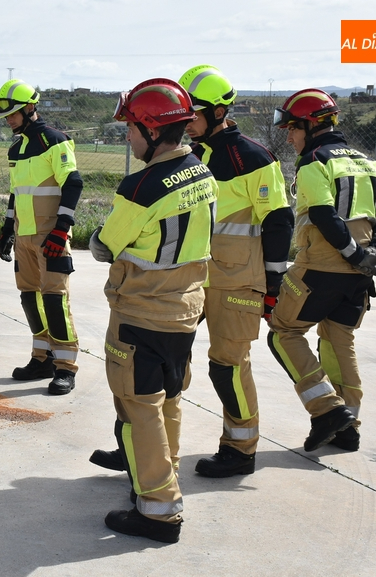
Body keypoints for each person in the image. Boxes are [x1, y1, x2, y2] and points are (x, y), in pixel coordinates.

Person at [87, 78, 217, 543]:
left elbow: (106, 244)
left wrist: (98, 241)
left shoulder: (140, 186)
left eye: (132, 128)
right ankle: (160, 481)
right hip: (185, 311)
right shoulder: (202, 172)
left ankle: (159, 511)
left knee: (139, 407)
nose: (128, 137)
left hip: (140, 314)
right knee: (169, 399)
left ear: (154, 131)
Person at [176, 65, 294, 477]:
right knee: (166, 358)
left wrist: (273, 284)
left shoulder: (253, 157)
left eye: (194, 112)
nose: (187, 120)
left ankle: (241, 449)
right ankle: (151, 440)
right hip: (189, 276)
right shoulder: (187, 155)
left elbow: (279, 222)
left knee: (226, 366)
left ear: (218, 112)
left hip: (237, 281)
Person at [268, 89, 376, 452]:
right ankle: (348, 428)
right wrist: (374, 253)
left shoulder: (314, 162)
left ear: (311, 126)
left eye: (293, 128)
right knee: (339, 340)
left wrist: (353, 254)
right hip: (360, 275)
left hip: (321, 268)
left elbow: (324, 215)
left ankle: (326, 410)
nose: (289, 136)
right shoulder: (366, 162)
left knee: (283, 332)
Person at [0, 79, 83, 395]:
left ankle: (65, 367)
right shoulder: (16, 148)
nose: (9, 120)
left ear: (30, 108)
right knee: (30, 297)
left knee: (55, 299)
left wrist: (61, 229)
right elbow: (16, 193)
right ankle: (42, 359)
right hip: (25, 236)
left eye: (13, 114)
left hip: (51, 236)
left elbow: (73, 184)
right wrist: (7, 231)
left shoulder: (54, 141)